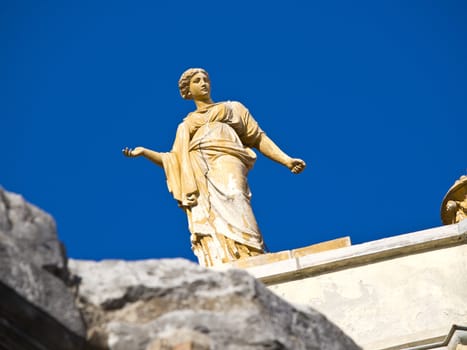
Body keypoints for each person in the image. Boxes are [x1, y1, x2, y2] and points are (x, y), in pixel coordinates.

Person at [123, 68, 306, 266]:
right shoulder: (186, 125)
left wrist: (286, 160)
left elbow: (258, 137)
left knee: (236, 195)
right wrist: (144, 152)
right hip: (199, 168)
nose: (203, 83)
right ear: (188, 91)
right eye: (197, 81)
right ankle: (225, 256)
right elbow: (174, 160)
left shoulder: (233, 108)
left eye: (206, 79)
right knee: (211, 214)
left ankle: (251, 250)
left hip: (228, 157)